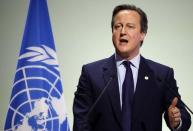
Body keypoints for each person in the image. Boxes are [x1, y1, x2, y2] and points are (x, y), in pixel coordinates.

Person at [73, 4, 191, 131]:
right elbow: (81, 121)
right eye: (117, 26)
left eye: (130, 27)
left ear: (142, 34)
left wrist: (176, 121)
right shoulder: (91, 74)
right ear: (112, 32)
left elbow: (182, 115)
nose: (122, 32)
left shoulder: (161, 75)